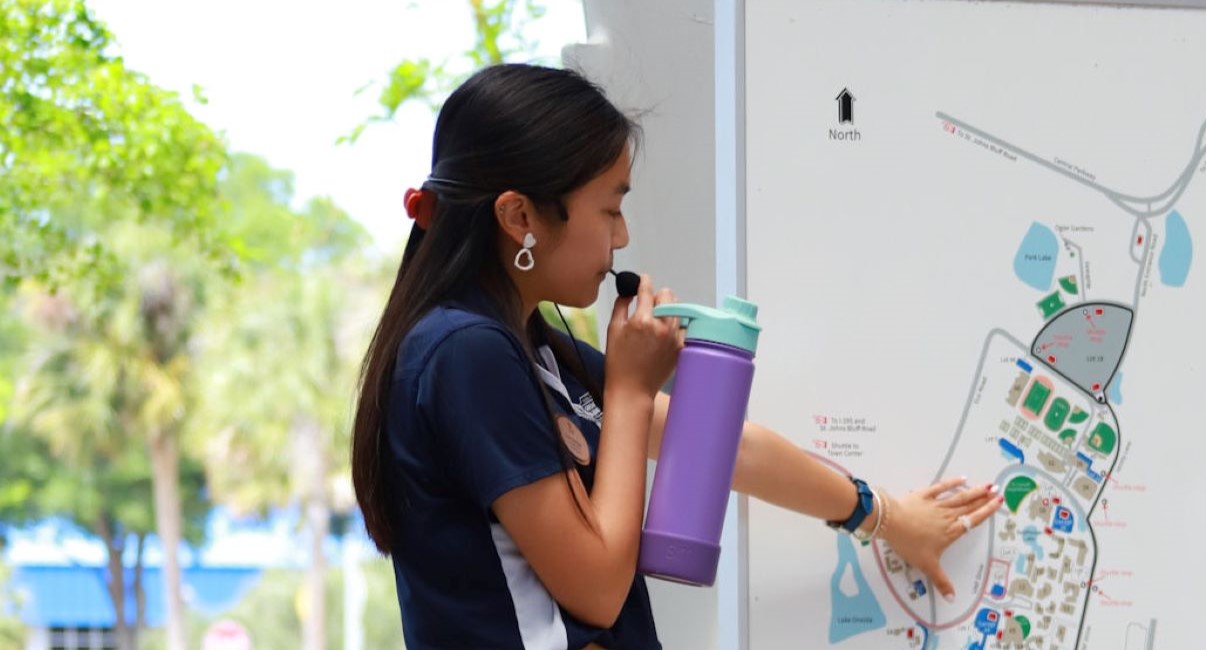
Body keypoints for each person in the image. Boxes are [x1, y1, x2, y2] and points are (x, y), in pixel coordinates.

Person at [349, 63, 1002, 649]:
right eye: (610, 209)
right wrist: (630, 393)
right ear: (520, 217)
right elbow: (597, 587)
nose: (622, 236)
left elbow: (726, 446)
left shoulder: (533, 351)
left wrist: (883, 515)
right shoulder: (465, 352)